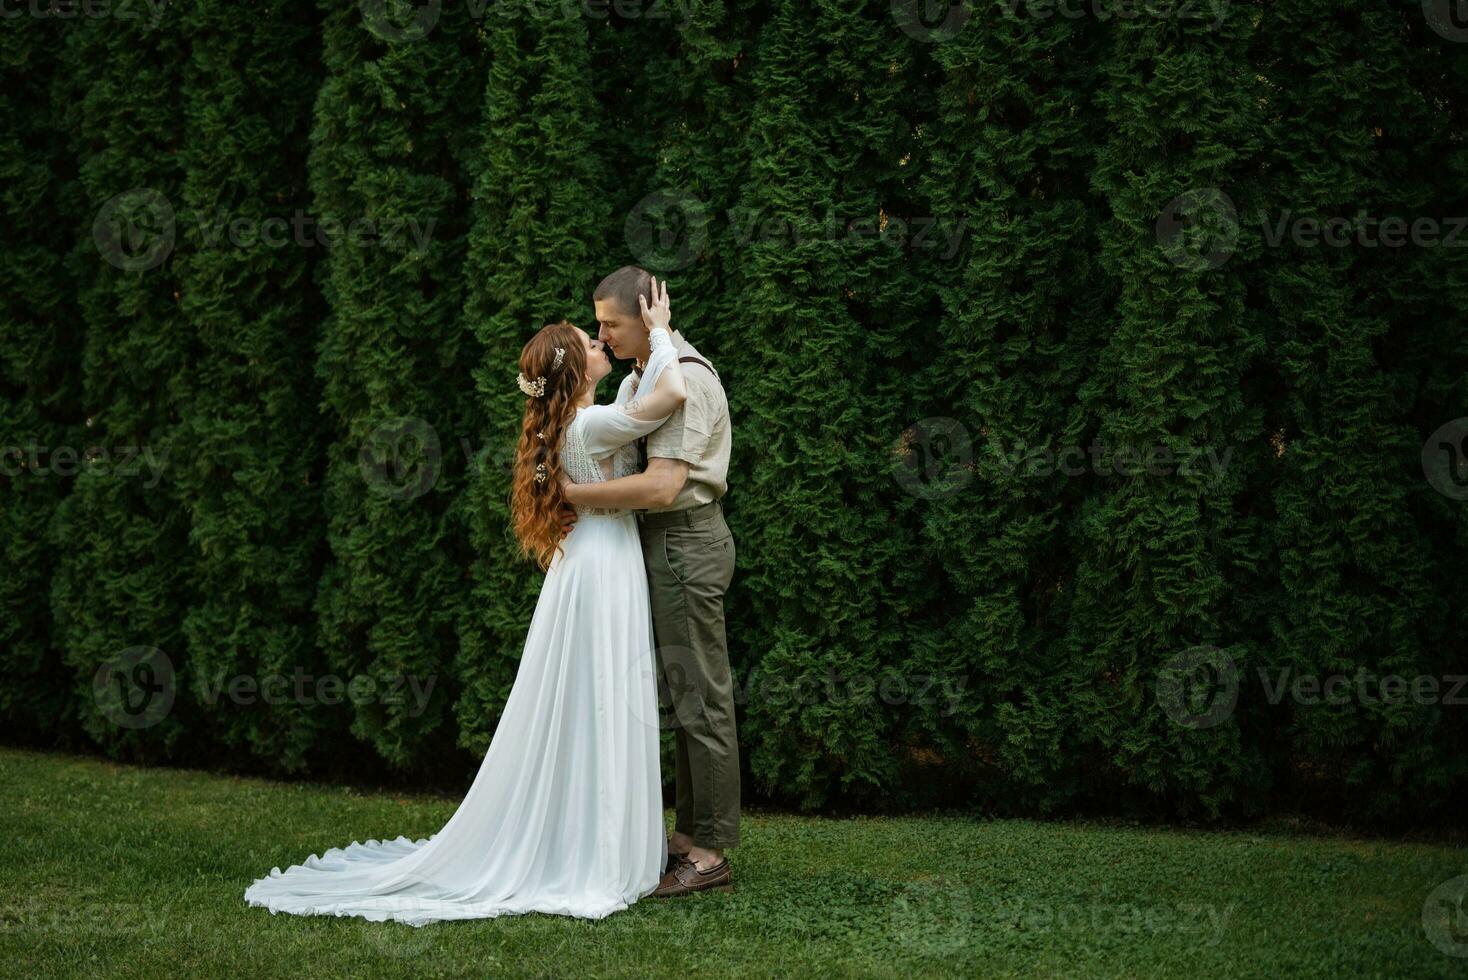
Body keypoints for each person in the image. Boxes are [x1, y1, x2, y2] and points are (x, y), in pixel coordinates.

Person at [243, 282, 688, 925]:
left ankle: (596, 837)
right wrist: (665, 332)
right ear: (574, 369)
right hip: (601, 564)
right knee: (602, 691)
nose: (599, 342)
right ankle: (600, 848)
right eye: (589, 341)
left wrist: (643, 356)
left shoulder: (583, 419)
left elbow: (637, 397)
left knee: (597, 691)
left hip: (592, 561)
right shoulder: (587, 425)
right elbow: (668, 396)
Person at [560, 266, 739, 897]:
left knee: (703, 698)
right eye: (598, 326)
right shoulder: (645, 374)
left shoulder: (685, 376)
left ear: (647, 316)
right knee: (683, 697)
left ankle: (711, 854)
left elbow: (663, 486)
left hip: (687, 540)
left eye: (611, 324)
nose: (603, 336)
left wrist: (576, 494)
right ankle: (688, 836)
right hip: (662, 543)